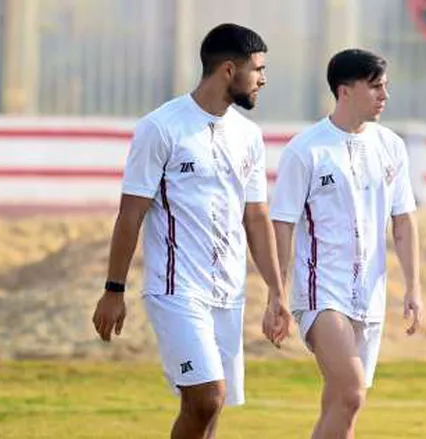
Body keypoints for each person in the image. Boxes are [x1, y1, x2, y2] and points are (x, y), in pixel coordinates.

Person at [91, 23, 291, 439]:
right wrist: (114, 289)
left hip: (228, 292)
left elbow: (256, 217)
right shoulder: (161, 127)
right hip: (176, 289)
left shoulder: (249, 136)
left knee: (211, 413)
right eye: (258, 69)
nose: (263, 79)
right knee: (206, 397)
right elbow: (130, 214)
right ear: (229, 70)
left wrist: (276, 291)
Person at [270, 48, 424, 439]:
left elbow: (403, 220)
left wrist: (413, 287)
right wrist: (276, 294)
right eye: (375, 87)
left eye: (385, 86)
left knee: (341, 407)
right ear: (345, 90)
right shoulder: (306, 149)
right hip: (321, 292)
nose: (385, 96)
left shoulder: (391, 146)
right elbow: (282, 225)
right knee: (352, 392)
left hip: (370, 293)